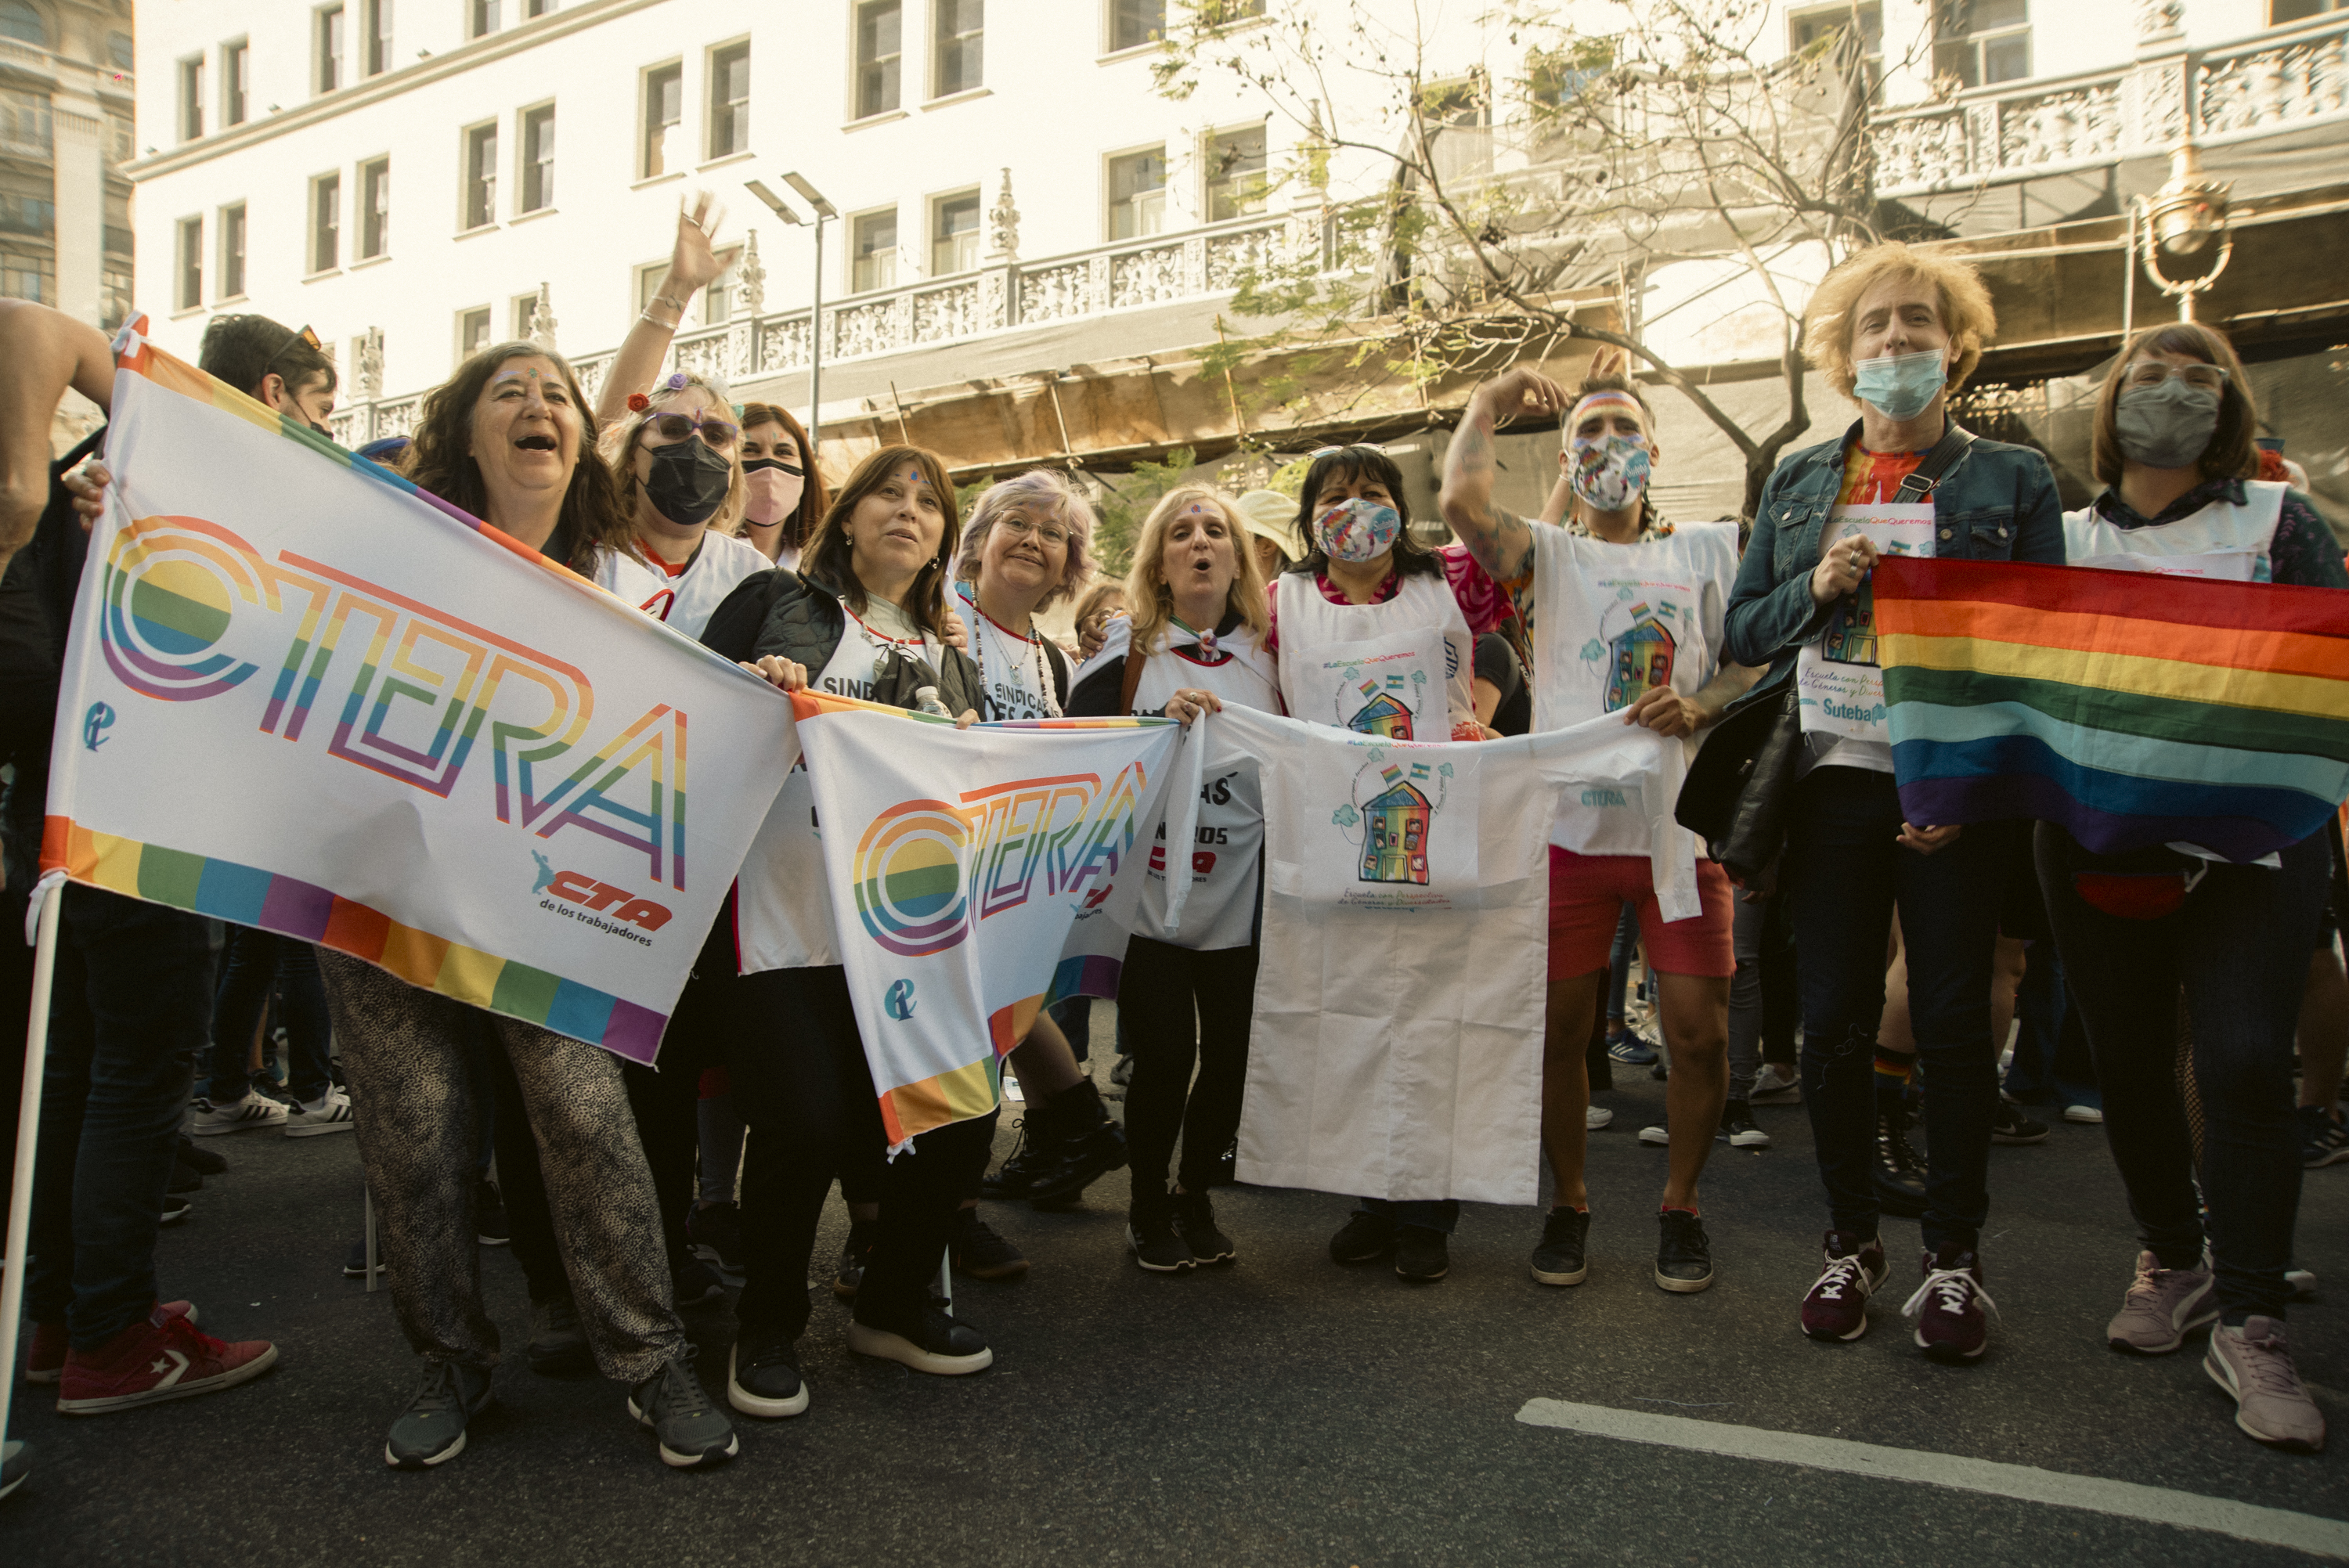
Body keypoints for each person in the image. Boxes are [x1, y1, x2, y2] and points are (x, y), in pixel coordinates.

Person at [322, 339, 737, 1469]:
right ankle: (448, 1359)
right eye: (509, 393)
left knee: (585, 1117)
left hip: (540, 896)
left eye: (557, 394)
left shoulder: (614, 577)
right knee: (417, 1133)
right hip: (386, 885)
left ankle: (649, 1357)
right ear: (466, 432)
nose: (538, 406)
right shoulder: (393, 540)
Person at [1723, 241, 2062, 1359]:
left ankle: (1953, 1258)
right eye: (1875, 323)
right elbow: (1743, 629)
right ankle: (1850, 1240)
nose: (1897, 338)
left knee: (1955, 1021)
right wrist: (1814, 585)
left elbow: (2041, 650)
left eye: (1918, 320)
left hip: (1954, 793)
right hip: (1832, 785)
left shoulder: (2013, 479)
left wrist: (1973, 778)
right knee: (1831, 1022)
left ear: (1955, 347)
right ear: (1844, 351)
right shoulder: (1799, 479)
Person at [2041, 320, 2346, 1451]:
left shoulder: (2283, 523)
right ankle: (2174, 1255)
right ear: (2110, 400)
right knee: (2127, 1060)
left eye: (2194, 376)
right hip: (2096, 842)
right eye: (2148, 375)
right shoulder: (2057, 540)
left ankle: (2256, 1317)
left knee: (2243, 1057)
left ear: (2229, 403)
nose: (2170, 391)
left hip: (2254, 846)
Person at [6, 301, 277, 1447]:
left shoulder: (106, 494)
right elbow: (30, 321)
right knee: (130, 1072)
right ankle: (110, 1337)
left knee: (79, 1067)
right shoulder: (75, 493)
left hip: (79, 814)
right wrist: (24, 492)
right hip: (129, 817)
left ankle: (65, 1317)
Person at [1442, 359, 1755, 1295]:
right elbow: (1460, 502)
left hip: (1678, 833)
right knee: (1562, 1035)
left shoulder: (1711, 550)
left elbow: (1752, 659)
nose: (1607, 446)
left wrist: (1700, 704)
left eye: (1624, 431)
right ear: (1566, 459)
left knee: (1698, 1035)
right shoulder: (1545, 556)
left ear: (1654, 451)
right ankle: (1570, 1203)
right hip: (1570, 834)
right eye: (1588, 432)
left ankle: (1681, 1206)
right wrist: (1489, 404)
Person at [698, 445, 997, 1421]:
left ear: (944, 536)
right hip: (782, 916)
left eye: (929, 500)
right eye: (887, 493)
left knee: (960, 1111)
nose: (908, 510)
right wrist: (752, 685)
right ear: (850, 515)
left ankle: (892, 1306)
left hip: (904, 931)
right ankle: (767, 1326)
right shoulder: (778, 601)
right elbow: (689, 708)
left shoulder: (949, 655)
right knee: (805, 1122)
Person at [1269, 445, 1511, 1280]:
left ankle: (1429, 1208)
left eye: (1372, 493)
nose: (1354, 509)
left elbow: (1512, 556)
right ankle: (1371, 1196)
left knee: (1435, 1017)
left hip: (1439, 828)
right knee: (1354, 1018)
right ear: (1309, 518)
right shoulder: (1281, 601)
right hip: (1340, 838)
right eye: (1334, 497)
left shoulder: (1449, 579)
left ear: (1402, 510)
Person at [1069, 488, 1277, 1270]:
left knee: (1231, 1058)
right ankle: (1147, 1200)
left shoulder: (1270, 658)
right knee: (1162, 1057)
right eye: (1181, 532)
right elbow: (1073, 753)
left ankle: (1195, 1193)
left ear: (1238, 560)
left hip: (1241, 900)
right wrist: (1153, 728)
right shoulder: (1126, 653)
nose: (1200, 542)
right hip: (1147, 901)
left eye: (1216, 531)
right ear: (1158, 564)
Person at [950, 470, 1129, 1237]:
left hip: (1017, 872)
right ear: (980, 539)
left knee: (1000, 1013)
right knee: (973, 1027)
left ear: (1069, 563)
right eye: (1016, 522)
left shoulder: (1053, 662)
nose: (1033, 539)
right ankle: (1066, 1135)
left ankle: (1041, 1148)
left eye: (1054, 533)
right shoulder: (941, 618)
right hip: (942, 862)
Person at [593, 369, 768, 635]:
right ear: (631, 457)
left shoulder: (755, 576)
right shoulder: (587, 558)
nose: (696, 443)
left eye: (716, 436)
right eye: (674, 429)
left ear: (733, 469)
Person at [738, 401, 825, 569]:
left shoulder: (821, 565)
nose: (770, 464)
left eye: (784, 452)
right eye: (749, 450)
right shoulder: (703, 554)